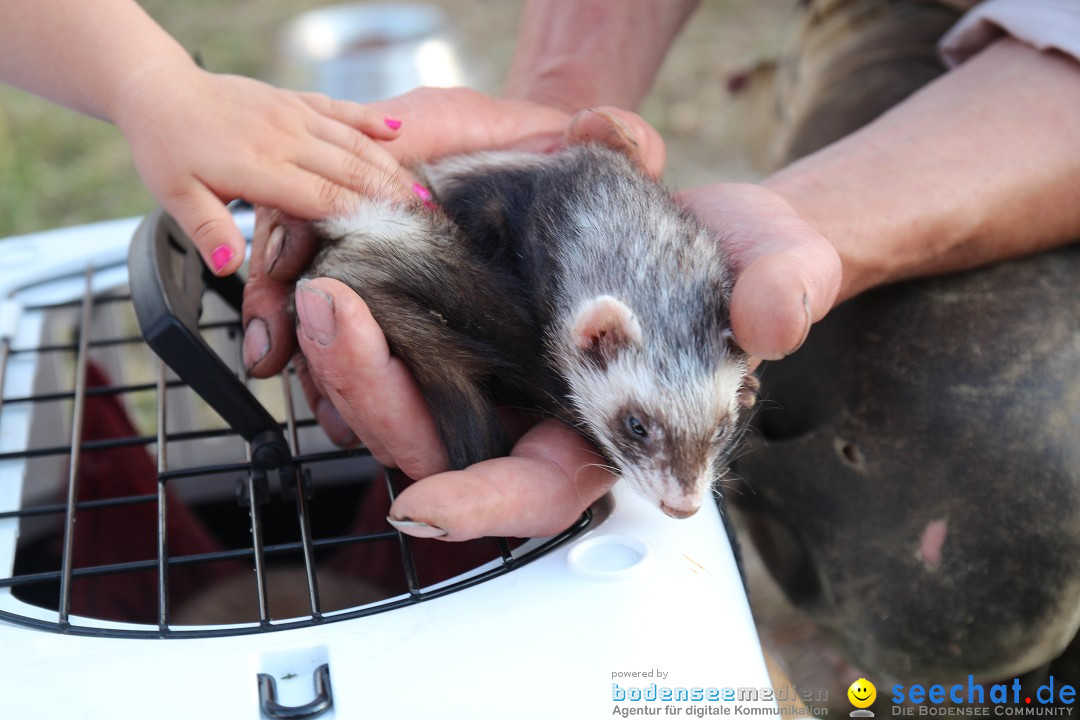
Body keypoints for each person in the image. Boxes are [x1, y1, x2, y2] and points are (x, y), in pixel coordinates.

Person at [241, 0, 1080, 685]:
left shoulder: (597, 333)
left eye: (712, 434)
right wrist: (555, 115)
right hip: (924, 14)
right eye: (643, 431)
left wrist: (819, 230)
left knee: (979, 492)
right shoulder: (565, 271)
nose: (684, 493)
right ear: (597, 341)